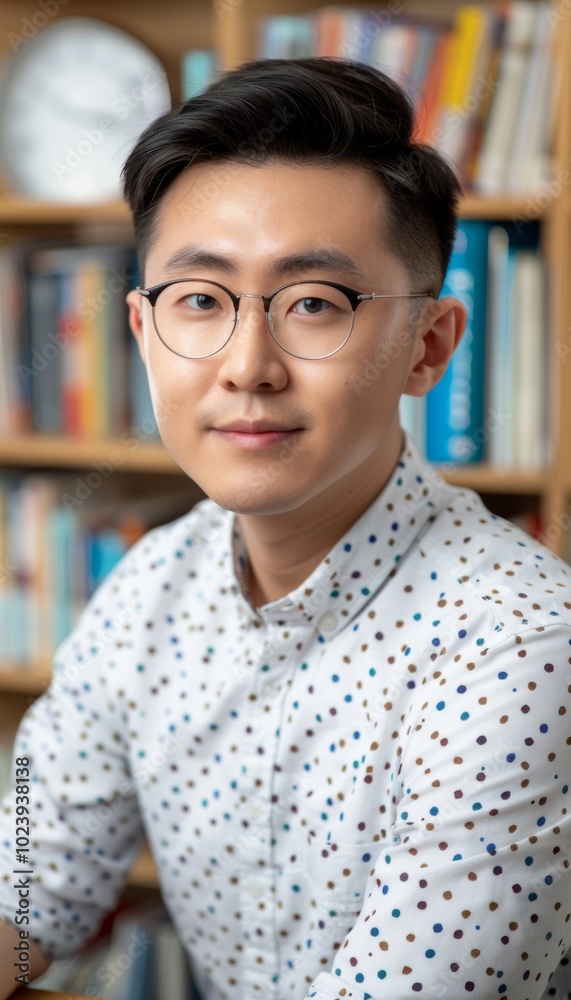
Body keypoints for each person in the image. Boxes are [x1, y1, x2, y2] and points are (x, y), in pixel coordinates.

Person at [0, 56, 570, 1000]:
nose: (247, 366)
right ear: (142, 333)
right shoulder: (148, 587)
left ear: (427, 346)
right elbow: (30, 877)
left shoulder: (520, 645)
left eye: (314, 304)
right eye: (200, 300)